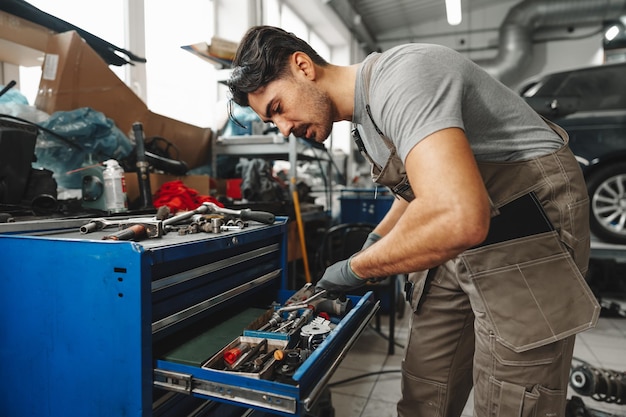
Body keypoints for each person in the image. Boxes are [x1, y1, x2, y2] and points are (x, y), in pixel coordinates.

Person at [228, 25, 600, 417]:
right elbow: (424, 192)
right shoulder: (362, 119)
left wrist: (354, 268)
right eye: (273, 122)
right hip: (465, 224)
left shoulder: (402, 80)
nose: (284, 128)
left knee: (515, 398)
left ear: (302, 66)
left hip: (527, 218)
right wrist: (376, 241)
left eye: (277, 108)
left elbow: (458, 217)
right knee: (426, 389)